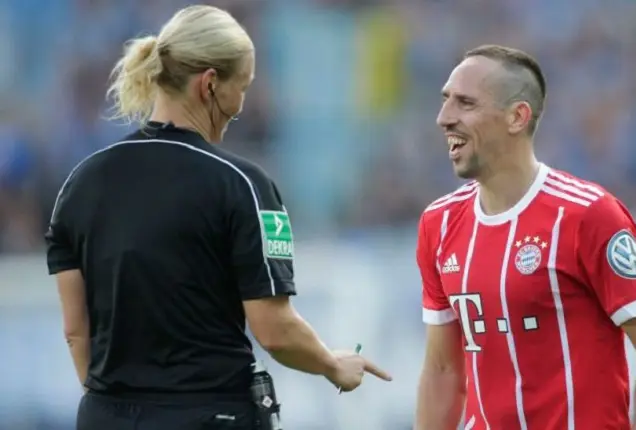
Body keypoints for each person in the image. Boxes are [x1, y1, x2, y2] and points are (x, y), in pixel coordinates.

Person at [46, 5, 390, 430]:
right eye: (241, 87)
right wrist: (332, 365)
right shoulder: (244, 185)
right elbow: (275, 329)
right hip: (211, 415)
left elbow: (75, 331)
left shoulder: (78, 186)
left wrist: (112, 408)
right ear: (209, 84)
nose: (241, 105)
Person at [413, 44, 636, 430]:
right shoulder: (438, 224)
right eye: (445, 101)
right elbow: (442, 370)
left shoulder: (587, 215)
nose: (444, 118)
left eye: (465, 103)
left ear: (517, 117)